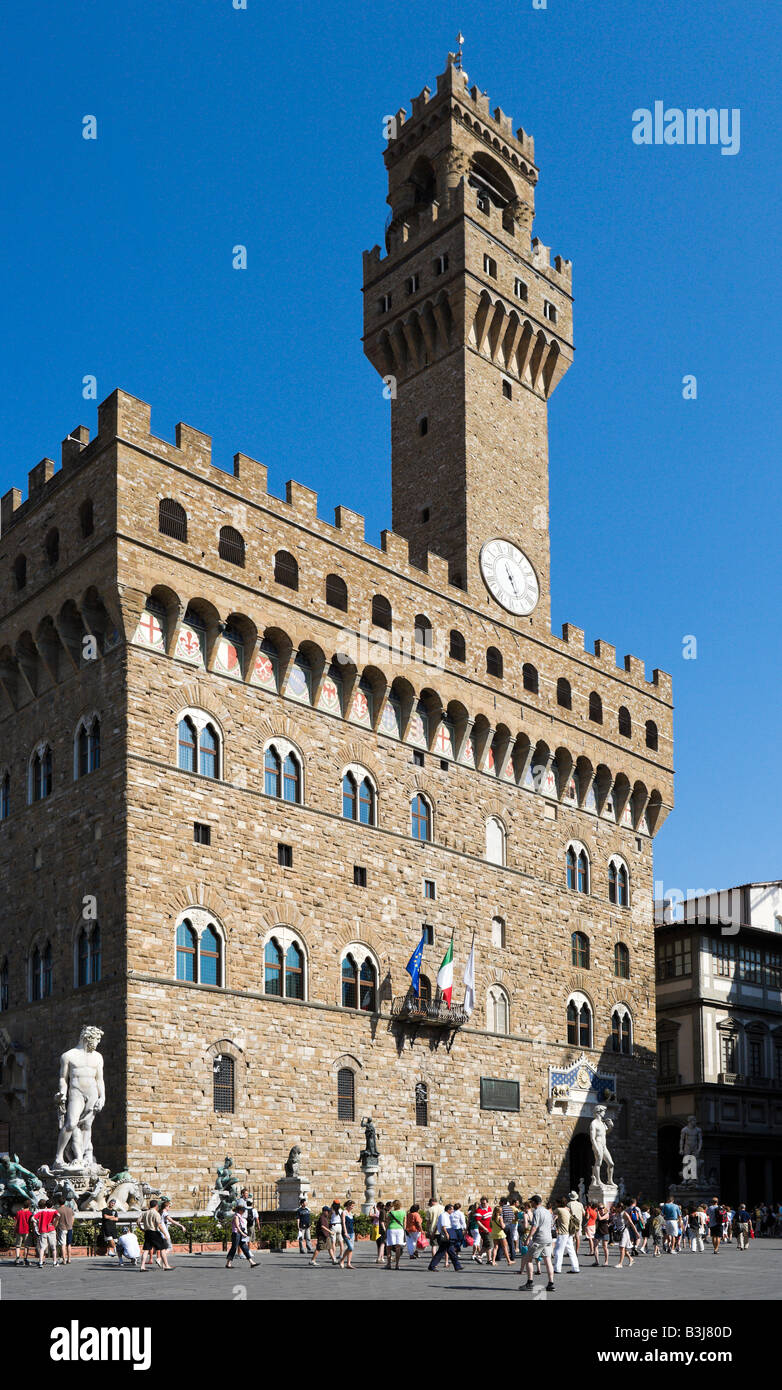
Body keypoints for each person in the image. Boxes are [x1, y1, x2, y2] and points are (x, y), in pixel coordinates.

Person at [521, 1194, 555, 1293]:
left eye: (531, 1202)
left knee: (528, 1259)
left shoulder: (537, 1212)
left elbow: (534, 1227)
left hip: (539, 1239)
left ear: (535, 1202)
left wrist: (528, 1238)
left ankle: (530, 1282)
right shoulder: (547, 1212)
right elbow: (551, 1224)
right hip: (548, 1238)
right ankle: (551, 1283)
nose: (531, 1203)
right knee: (547, 1260)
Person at [428, 1203, 464, 1272]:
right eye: (452, 1209)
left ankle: (457, 1266)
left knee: (449, 1251)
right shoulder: (444, 1215)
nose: (453, 1211)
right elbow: (444, 1225)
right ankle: (432, 1266)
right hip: (446, 1234)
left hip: (447, 1233)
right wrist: (447, 1233)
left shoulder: (446, 1215)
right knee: (442, 1252)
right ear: (448, 1209)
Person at [225, 1200, 258, 1269]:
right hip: (236, 1234)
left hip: (240, 1234)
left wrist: (243, 1233)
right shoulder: (236, 1216)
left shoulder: (241, 1216)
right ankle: (228, 1263)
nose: (244, 1211)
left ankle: (251, 1262)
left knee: (245, 1248)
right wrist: (242, 1233)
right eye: (243, 1210)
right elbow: (237, 1226)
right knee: (234, 1248)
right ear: (239, 1210)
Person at [140, 1200, 171, 1271]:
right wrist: (164, 1233)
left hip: (147, 1232)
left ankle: (142, 1266)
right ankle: (166, 1265)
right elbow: (159, 1225)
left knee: (146, 1249)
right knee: (162, 1248)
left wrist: (141, 1228)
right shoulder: (156, 1213)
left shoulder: (145, 1213)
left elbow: (138, 1221)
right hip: (154, 1232)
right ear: (156, 1205)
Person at [553, 1196, 580, 1274]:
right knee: (571, 1250)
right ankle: (575, 1268)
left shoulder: (558, 1209)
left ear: (558, 1203)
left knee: (558, 1250)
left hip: (562, 1233)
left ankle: (557, 1268)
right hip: (569, 1233)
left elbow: (550, 1215)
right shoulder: (567, 1209)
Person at [33, 1197, 60, 1268]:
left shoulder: (41, 1211)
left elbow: (33, 1218)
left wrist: (38, 1223)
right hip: (51, 1229)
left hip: (43, 1230)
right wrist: (54, 1222)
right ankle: (54, 1262)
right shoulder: (54, 1211)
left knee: (42, 1247)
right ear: (52, 1205)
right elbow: (58, 1215)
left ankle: (41, 1262)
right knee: (53, 1247)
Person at [158, 1198, 185, 1263]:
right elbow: (172, 1221)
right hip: (165, 1232)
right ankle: (159, 1259)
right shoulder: (165, 1213)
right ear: (166, 1206)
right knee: (169, 1248)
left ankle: (163, 1262)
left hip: (160, 1231)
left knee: (163, 1248)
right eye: (169, 1207)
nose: (169, 1208)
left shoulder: (159, 1212)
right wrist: (181, 1226)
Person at [385, 1200, 406, 1269]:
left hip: (391, 1229)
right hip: (400, 1229)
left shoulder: (390, 1213)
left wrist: (386, 1231)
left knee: (389, 1247)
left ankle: (389, 1264)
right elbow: (404, 1224)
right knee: (398, 1248)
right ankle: (397, 1264)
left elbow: (387, 1223)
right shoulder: (403, 1213)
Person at [616, 1203, 637, 1269]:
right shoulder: (617, 1214)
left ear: (620, 1208)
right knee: (622, 1249)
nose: (616, 1208)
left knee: (622, 1247)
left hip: (624, 1232)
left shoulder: (624, 1213)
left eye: (617, 1207)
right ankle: (631, 1259)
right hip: (619, 1232)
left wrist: (636, 1232)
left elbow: (631, 1223)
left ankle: (620, 1263)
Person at [13, 1201, 33, 1265]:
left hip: (19, 1230)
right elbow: (31, 1223)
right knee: (26, 1246)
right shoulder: (30, 1213)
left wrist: (14, 1230)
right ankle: (25, 1259)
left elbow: (15, 1222)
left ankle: (17, 1258)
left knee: (18, 1245)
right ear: (29, 1206)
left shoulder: (19, 1212)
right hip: (27, 1231)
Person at [56, 1199, 75, 1265]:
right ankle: (69, 1259)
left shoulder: (58, 1210)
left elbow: (57, 1220)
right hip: (69, 1228)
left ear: (59, 1202)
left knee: (63, 1244)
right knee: (69, 1244)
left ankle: (64, 1260)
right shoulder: (70, 1209)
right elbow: (73, 1218)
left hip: (62, 1228)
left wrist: (55, 1226)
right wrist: (71, 1225)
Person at [475, 1196, 494, 1263]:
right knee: (490, 1244)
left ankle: (489, 1259)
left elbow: (491, 1218)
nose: (483, 1204)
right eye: (482, 1203)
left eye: (484, 1203)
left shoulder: (489, 1208)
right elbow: (478, 1221)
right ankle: (479, 1255)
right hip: (484, 1230)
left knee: (486, 1244)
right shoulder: (478, 1210)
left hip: (490, 1229)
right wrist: (484, 1228)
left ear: (487, 1203)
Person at [340, 1200, 356, 1269]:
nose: (352, 1207)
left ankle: (348, 1263)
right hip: (346, 1232)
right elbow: (343, 1223)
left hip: (352, 1232)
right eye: (352, 1206)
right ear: (348, 1205)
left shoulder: (351, 1213)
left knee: (351, 1248)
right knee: (350, 1247)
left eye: (353, 1206)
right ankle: (342, 1260)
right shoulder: (344, 1212)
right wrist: (345, 1232)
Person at [500, 1195, 517, 1259]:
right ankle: (513, 1256)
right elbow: (513, 1218)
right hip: (510, 1225)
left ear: (502, 1202)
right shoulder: (510, 1208)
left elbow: (500, 1217)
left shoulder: (502, 1209)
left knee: (501, 1241)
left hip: (504, 1225)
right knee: (511, 1242)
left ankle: (499, 1256)